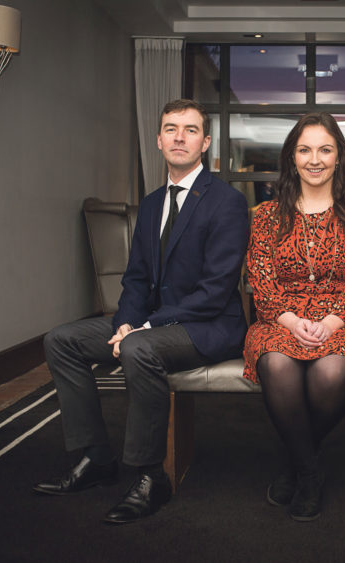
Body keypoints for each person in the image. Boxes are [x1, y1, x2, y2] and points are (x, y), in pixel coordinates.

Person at [34, 99, 249, 525]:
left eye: (190, 130)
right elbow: (134, 279)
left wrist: (143, 329)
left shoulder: (226, 202)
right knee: (61, 341)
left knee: (138, 350)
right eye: (171, 128)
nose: (179, 137)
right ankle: (96, 458)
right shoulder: (150, 204)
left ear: (205, 142)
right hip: (150, 323)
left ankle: (151, 476)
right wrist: (126, 322)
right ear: (158, 140)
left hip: (208, 327)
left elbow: (215, 290)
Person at [243, 112, 345, 522]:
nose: (315, 159)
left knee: (329, 373)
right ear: (292, 158)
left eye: (325, 149)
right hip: (280, 319)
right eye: (305, 150)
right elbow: (262, 281)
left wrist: (332, 322)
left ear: (339, 156)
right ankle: (311, 471)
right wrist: (290, 321)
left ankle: (294, 463)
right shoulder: (267, 215)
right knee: (277, 362)